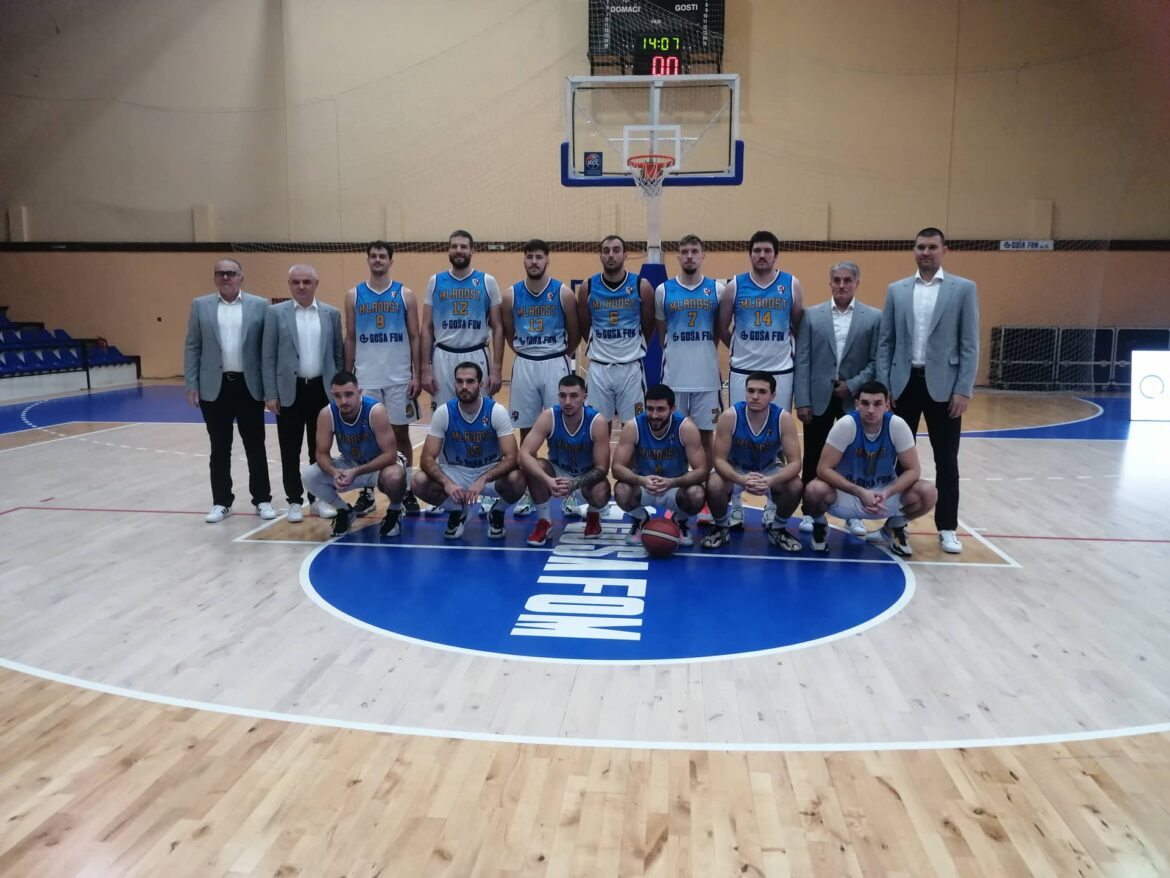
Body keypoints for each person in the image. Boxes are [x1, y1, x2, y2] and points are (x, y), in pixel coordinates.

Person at [876, 227, 979, 554]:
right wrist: (884, 388)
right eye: (921, 247)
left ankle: (947, 527)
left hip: (944, 388)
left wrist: (963, 389)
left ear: (944, 250)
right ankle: (895, 524)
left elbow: (969, 344)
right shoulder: (897, 290)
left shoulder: (963, 289)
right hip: (903, 385)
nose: (926, 252)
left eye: (932, 247)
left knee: (947, 460)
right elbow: (886, 342)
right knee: (895, 460)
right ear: (914, 250)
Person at [718, 230, 804, 528]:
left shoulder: (791, 284)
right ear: (750, 254)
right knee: (737, 438)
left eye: (768, 250)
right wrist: (740, 351)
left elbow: (797, 325)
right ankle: (736, 504)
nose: (762, 255)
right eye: (757, 250)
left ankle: (771, 503)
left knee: (777, 439)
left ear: (776, 255)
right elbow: (723, 326)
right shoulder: (735, 286)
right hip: (743, 371)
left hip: (780, 371)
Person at [183, 257, 275, 523]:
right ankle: (222, 502)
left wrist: (270, 389)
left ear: (241, 277)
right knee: (219, 447)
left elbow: (267, 350)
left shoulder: (259, 305)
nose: (226, 277)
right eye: (220, 273)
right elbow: (193, 346)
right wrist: (192, 383)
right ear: (215, 278)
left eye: (231, 273)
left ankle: (262, 500)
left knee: (255, 446)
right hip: (215, 387)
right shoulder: (200, 305)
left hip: (249, 386)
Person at [793, 261, 881, 536]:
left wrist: (852, 385)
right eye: (837, 280)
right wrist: (802, 400)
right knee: (813, 454)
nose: (842, 285)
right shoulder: (811, 315)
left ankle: (854, 514)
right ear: (830, 282)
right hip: (818, 397)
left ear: (857, 283)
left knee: (854, 458)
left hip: (853, 399)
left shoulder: (873, 317)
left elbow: (875, 360)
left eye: (847, 280)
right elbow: (803, 359)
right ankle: (810, 511)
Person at [802, 381, 938, 556]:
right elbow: (823, 469)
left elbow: (913, 471)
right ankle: (820, 525)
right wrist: (858, 491)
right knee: (814, 490)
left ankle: (894, 526)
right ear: (856, 404)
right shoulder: (846, 425)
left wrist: (887, 493)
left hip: (883, 496)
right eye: (865, 403)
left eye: (877, 404)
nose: (871, 410)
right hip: (847, 494)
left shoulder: (897, 425)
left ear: (887, 405)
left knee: (928, 492)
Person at [502, 239, 580, 518]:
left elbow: (575, 333)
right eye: (529, 257)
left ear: (548, 260)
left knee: (565, 427)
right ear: (523, 260)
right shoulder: (511, 295)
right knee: (526, 430)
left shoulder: (563, 293)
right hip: (525, 363)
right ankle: (529, 490)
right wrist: (529, 353)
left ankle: (569, 490)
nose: (534, 261)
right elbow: (509, 333)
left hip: (555, 362)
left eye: (539, 257)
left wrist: (556, 354)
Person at [344, 240, 423, 518]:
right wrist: (348, 376)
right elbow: (350, 337)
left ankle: (408, 488)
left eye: (382, 256)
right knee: (365, 438)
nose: (378, 260)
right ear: (368, 260)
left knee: (401, 434)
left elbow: (415, 337)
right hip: (366, 378)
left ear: (391, 261)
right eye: (373, 256)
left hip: (399, 377)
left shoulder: (405, 294)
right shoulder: (354, 295)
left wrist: (417, 373)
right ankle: (366, 492)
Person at [262, 263, 344, 523]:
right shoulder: (275, 314)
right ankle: (294, 501)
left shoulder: (331, 313)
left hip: (321, 389)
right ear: (289, 285)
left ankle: (318, 499)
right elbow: (268, 356)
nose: (301, 286)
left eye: (306, 282)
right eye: (295, 282)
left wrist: (338, 392)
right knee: (289, 449)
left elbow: (338, 355)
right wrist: (270, 393)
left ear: (315, 284)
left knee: (319, 449)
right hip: (290, 390)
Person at [411, 361, 526, 540]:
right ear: (454, 384)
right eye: (460, 381)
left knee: (518, 479)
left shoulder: (495, 411)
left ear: (480, 384)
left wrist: (483, 479)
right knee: (418, 481)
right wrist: (447, 483)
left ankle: (498, 511)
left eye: (470, 381)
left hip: (489, 472)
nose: (464, 386)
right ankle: (458, 511)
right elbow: (426, 458)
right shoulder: (444, 412)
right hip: (456, 472)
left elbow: (512, 457)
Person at [701, 371, 804, 552]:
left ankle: (778, 529)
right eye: (751, 391)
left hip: (769, 469)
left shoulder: (783, 418)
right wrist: (741, 479)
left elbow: (795, 463)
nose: (755, 396)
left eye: (762, 392)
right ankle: (721, 527)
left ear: (773, 395)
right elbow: (718, 459)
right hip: (737, 469)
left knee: (795, 485)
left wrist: (771, 480)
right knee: (714, 483)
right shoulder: (730, 416)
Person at [301, 371, 408, 538]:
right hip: (350, 462)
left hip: (379, 464)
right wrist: (334, 472)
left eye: (349, 394)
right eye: (338, 396)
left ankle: (395, 510)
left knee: (394, 477)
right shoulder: (327, 414)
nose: (343, 401)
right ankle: (344, 511)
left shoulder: (375, 411)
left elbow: (390, 455)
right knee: (309, 476)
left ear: (359, 392)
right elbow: (321, 453)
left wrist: (356, 472)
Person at [518, 375, 610, 546]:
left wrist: (574, 484)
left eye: (574, 396)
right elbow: (523, 454)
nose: (567, 401)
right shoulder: (549, 416)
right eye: (563, 395)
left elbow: (602, 468)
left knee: (602, 489)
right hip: (557, 472)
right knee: (535, 466)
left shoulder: (596, 421)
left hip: (585, 476)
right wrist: (547, 479)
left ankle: (593, 514)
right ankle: (545, 522)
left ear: (584, 396)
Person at [654, 234, 724, 462]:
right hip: (674, 378)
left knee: (706, 437)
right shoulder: (663, 290)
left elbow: (718, 332)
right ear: (678, 257)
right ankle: (676, 480)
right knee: (672, 435)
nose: (689, 256)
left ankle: (705, 480)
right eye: (684, 252)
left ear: (703, 255)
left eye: (694, 251)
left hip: (707, 378)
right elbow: (663, 335)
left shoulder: (717, 290)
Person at [611, 384, 707, 547]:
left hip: (674, 486)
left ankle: (679, 521)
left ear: (672, 409)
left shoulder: (685, 428)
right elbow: (616, 468)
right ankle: (640, 519)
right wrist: (642, 480)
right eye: (650, 409)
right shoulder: (634, 426)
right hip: (644, 484)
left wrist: (672, 482)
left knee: (697, 494)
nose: (654, 415)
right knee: (621, 490)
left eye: (661, 409)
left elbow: (702, 471)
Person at [576, 235, 655, 427]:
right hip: (599, 368)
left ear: (625, 254)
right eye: (606, 251)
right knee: (598, 426)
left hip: (631, 368)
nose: (611, 255)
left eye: (616, 250)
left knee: (634, 426)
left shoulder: (641, 286)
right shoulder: (588, 287)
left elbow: (648, 326)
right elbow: (585, 327)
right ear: (600, 256)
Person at [419, 230, 504, 407]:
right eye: (454, 246)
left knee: (480, 411)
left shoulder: (487, 281)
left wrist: (497, 369)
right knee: (443, 412)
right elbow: (426, 327)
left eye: (463, 247)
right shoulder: (435, 281)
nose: (459, 250)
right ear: (448, 250)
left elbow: (498, 327)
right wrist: (425, 368)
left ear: (472, 251)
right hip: (443, 356)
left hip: (477, 354)